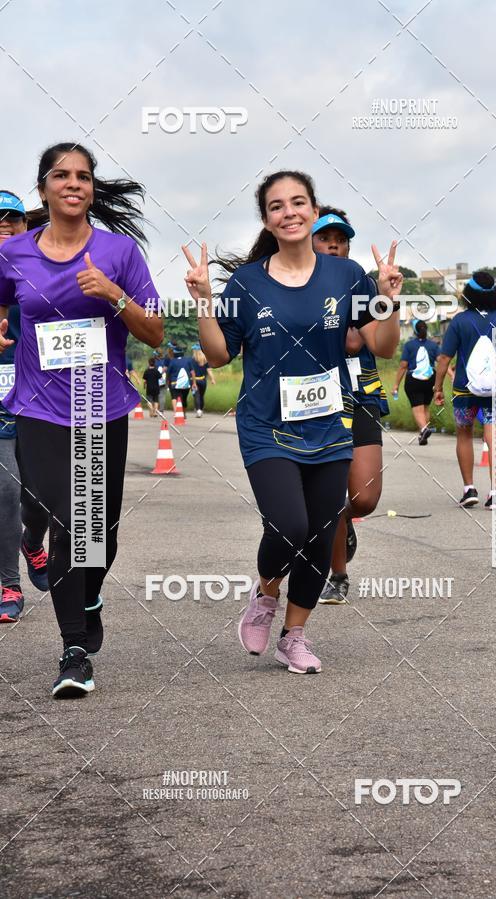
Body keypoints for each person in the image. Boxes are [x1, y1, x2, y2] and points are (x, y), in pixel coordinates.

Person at [182, 170, 400, 672]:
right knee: (288, 525)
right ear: (267, 219)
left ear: (312, 208)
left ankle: (294, 635)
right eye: (277, 206)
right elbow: (218, 357)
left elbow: (384, 347)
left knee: (321, 535)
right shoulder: (247, 282)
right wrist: (204, 305)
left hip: (329, 425)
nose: (289, 212)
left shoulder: (346, 277)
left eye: (298, 202)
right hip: (265, 426)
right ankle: (264, 594)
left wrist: (386, 297)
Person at [0, 142, 163, 696]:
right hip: (38, 409)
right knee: (70, 522)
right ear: (42, 188)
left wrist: (115, 296)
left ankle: (90, 596)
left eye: (85, 176)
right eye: (62, 175)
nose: (74, 183)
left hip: (100, 405)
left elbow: (155, 333)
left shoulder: (119, 253)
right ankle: (73, 651)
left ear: (92, 189)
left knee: (99, 535)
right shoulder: (15, 252)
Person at [310, 207, 396, 605]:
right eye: (326, 238)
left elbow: (360, 342)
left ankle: (341, 521)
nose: (334, 244)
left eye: (341, 239)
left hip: (359, 392)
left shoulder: (359, 279)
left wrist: (386, 299)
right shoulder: (292, 282)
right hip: (313, 398)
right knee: (325, 499)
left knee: (363, 499)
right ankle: (338, 575)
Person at [0, 191, 49, 622]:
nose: (4, 224)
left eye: (11, 218)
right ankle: (8, 584)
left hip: (38, 400)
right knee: (7, 490)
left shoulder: (38, 274)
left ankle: (33, 542)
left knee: (42, 497)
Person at [433, 272, 496, 508]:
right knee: (495, 435)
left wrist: (437, 387)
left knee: (465, 433)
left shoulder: (459, 321)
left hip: (464, 390)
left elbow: (445, 358)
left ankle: (469, 490)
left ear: (468, 295)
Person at [393, 319, 440, 445]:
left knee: (417, 407)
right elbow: (441, 361)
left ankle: (424, 429)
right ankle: (422, 434)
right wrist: (451, 375)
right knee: (425, 407)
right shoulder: (433, 345)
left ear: (414, 331)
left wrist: (396, 385)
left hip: (414, 380)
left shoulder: (409, 345)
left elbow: (403, 365)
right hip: (431, 379)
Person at [167, 346, 194, 416]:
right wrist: (193, 383)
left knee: (175, 397)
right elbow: (192, 372)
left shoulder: (172, 361)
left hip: (174, 383)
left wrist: (167, 382)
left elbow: (168, 373)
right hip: (186, 384)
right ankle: (184, 413)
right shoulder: (188, 360)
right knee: (184, 399)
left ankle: (176, 413)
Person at [191, 344, 215, 418]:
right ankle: (201, 409)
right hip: (203, 381)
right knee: (201, 396)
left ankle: (198, 410)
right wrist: (212, 379)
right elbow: (209, 370)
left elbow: (192, 372)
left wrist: (193, 382)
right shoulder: (205, 360)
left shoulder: (192, 360)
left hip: (194, 380)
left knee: (196, 396)